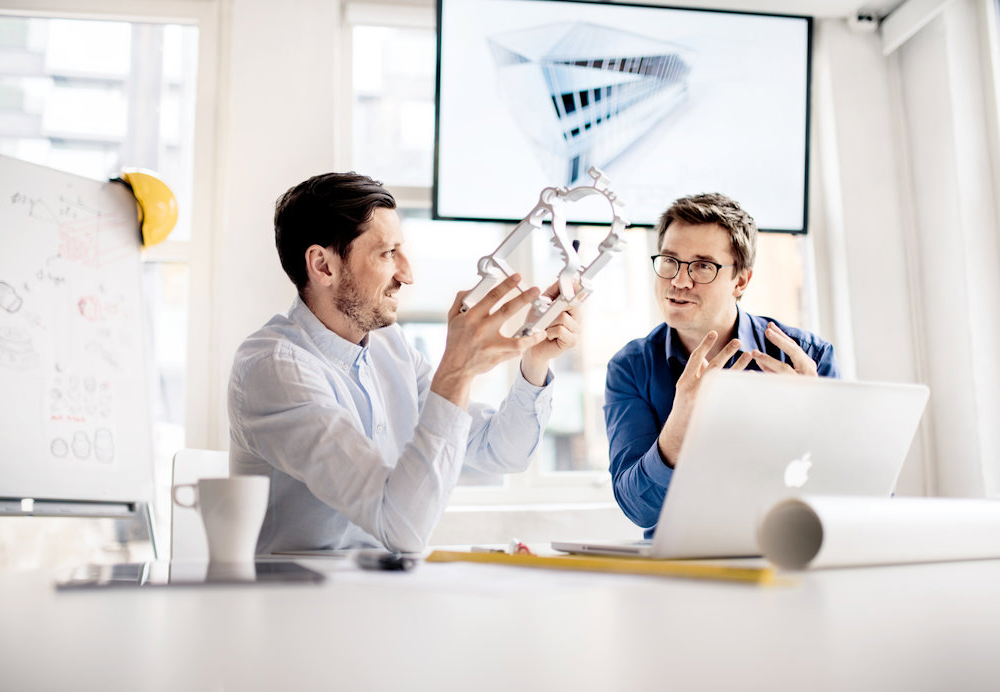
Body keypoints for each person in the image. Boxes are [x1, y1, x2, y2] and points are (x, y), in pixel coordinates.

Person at [228, 172, 579, 554]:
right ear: (323, 265)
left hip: (385, 594)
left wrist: (535, 362)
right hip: (303, 602)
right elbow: (401, 529)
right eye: (387, 253)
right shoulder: (275, 368)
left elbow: (501, 452)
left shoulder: (388, 346)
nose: (407, 274)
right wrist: (456, 370)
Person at [603, 192, 839, 536]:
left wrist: (810, 423)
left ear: (740, 280)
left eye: (702, 266)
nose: (679, 281)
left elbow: (868, 495)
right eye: (670, 260)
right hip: (685, 567)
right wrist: (679, 426)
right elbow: (638, 509)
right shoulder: (631, 367)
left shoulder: (807, 358)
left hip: (790, 551)